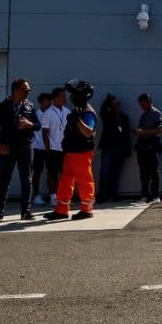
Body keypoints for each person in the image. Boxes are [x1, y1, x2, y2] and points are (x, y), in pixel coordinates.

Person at [0, 78, 40, 223]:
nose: (28, 93)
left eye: (29, 90)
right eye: (25, 90)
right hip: (8, 149)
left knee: (27, 180)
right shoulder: (1, 107)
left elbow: (38, 125)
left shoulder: (30, 106)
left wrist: (30, 124)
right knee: (4, 180)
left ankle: (26, 212)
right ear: (15, 90)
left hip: (25, 148)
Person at [45, 80, 99, 220]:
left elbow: (89, 132)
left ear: (82, 96)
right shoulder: (78, 111)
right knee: (65, 180)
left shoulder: (87, 112)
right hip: (71, 151)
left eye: (74, 94)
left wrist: (77, 120)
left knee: (84, 180)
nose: (71, 97)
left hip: (81, 152)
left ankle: (87, 210)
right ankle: (61, 210)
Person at [97, 93, 132, 202]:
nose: (117, 106)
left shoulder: (124, 117)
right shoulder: (108, 116)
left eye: (118, 104)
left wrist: (127, 149)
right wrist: (108, 99)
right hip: (108, 147)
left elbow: (127, 134)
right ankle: (103, 194)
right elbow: (102, 111)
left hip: (120, 148)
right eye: (115, 104)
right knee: (105, 170)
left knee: (116, 172)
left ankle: (113, 194)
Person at [42, 87, 70, 208]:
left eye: (65, 96)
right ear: (55, 98)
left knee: (65, 174)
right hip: (53, 149)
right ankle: (53, 197)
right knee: (52, 174)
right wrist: (48, 149)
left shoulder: (68, 111)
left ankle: (63, 197)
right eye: (62, 96)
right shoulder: (48, 113)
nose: (65, 98)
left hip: (65, 149)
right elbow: (44, 132)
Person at [134, 93, 162, 203]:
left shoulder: (156, 113)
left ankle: (156, 196)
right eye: (140, 105)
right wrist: (138, 133)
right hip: (142, 145)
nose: (142, 107)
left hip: (151, 145)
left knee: (154, 171)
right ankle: (144, 195)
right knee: (143, 172)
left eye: (143, 104)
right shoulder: (144, 115)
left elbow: (160, 130)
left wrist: (143, 132)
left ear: (149, 102)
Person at [30, 92, 52, 206]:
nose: (48, 104)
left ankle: (53, 195)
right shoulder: (35, 114)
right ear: (41, 103)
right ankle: (36, 196)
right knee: (37, 172)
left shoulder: (53, 114)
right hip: (37, 147)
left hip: (51, 148)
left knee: (51, 172)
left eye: (49, 101)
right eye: (46, 101)